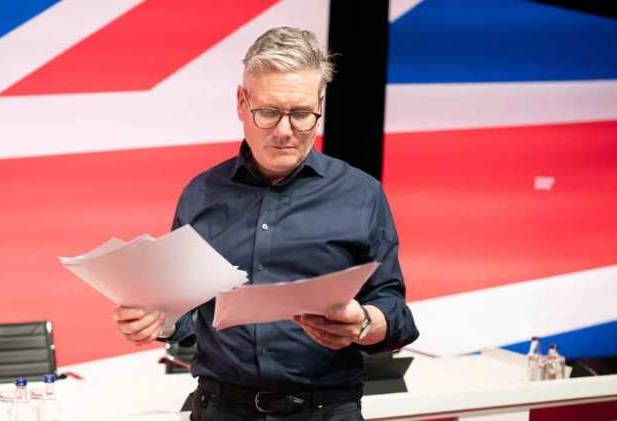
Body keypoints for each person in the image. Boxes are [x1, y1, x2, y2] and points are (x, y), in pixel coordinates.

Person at [113, 27, 419, 420]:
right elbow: (186, 320)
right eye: (269, 112)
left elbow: (396, 315)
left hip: (325, 410)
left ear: (320, 104)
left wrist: (362, 323)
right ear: (242, 103)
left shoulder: (361, 194)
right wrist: (158, 321)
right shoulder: (201, 194)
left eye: (302, 114)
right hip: (220, 409)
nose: (285, 131)